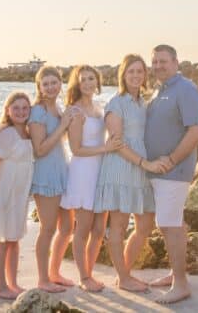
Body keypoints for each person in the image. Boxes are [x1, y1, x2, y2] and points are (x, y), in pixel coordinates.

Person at [94, 54, 167, 292]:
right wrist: (145, 163)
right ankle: (124, 278)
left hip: (141, 168)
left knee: (145, 224)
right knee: (118, 225)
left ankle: (123, 273)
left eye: (140, 71)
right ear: (123, 75)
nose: (136, 75)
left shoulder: (142, 103)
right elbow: (117, 142)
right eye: (131, 71)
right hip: (121, 167)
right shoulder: (117, 103)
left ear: (145, 75)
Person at [145, 44, 198, 304]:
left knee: (168, 225)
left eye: (163, 61)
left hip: (174, 170)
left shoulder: (186, 89)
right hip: (158, 171)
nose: (158, 66)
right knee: (173, 223)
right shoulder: (160, 90)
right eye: (155, 62)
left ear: (176, 62)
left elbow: (197, 130)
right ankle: (175, 274)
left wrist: (171, 160)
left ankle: (181, 285)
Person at [60, 65, 123, 292]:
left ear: (97, 81)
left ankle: (90, 272)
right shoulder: (75, 111)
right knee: (83, 228)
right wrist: (105, 149)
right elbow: (76, 149)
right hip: (84, 171)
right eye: (82, 79)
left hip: (100, 170)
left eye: (91, 78)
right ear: (77, 84)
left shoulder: (98, 107)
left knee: (99, 230)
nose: (87, 82)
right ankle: (84, 277)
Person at [28, 66, 76, 293]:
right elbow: (39, 149)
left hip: (61, 172)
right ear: (39, 87)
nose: (50, 87)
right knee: (47, 229)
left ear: (60, 83)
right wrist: (64, 126)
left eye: (53, 82)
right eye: (45, 84)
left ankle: (55, 272)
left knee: (67, 227)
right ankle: (43, 279)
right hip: (46, 175)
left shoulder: (58, 108)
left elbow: (61, 139)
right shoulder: (37, 111)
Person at [0, 91, 33, 299]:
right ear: (8, 110)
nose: (21, 112)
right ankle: (1, 287)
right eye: (16, 108)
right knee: (2, 240)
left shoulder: (28, 133)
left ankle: (13, 283)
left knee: (14, 239)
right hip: (4, 193)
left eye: (25, 108)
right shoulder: (5, 133)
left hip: (19, 196)